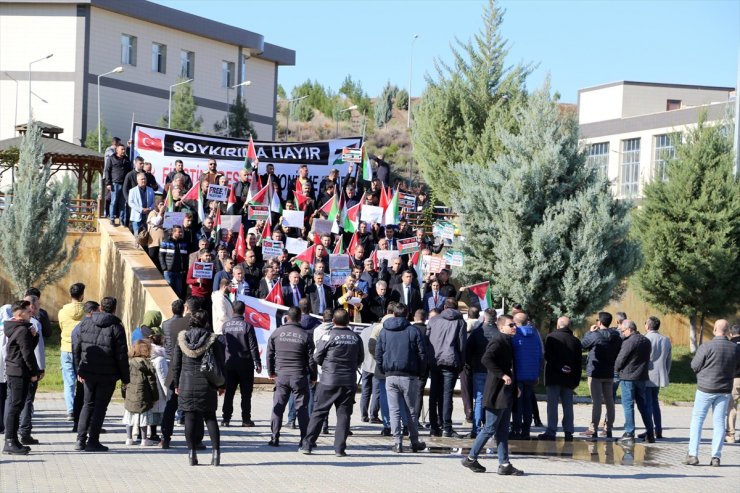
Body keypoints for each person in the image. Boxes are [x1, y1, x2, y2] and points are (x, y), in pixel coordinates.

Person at [461, 314, 524, 476]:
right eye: (511, 325)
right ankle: (470, 458)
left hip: (506, 391)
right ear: (501, 327)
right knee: (490, 428)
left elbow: (510, 367)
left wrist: (515, 385)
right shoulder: (498, 340)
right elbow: (486, 359)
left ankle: (504, 464)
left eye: (514, 325)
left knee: (502, 430)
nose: (514, 327)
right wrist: (502, 375)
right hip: (496, 392)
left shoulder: (508, 341)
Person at [300, 309, 364, 456]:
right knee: (344, 415)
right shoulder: (355, 337)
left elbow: (316, 357)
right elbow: (360, 358)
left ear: (333, 321)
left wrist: (327, 366)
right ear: (348, 321)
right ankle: (340, 449)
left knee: (319, 412)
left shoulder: (327, 335)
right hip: (348, 381)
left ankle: (308, 445)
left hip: (329, 380)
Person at [74, 296, 130, 452]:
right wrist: (126, 378)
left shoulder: (85, 322)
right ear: (114, 309)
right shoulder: (116, 326)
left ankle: (80, 440)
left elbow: (77, 346)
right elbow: (121, 355)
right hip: (107, 374)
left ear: (100, 307)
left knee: (87, 404)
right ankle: (93, 441)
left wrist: (79, 368)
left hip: (88, 371)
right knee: (100, 407)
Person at [173, 309, 226, 466]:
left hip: (186, 383)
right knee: (210, 417)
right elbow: (221, 364)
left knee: (189, 417)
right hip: (207, 384)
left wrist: (176, 384)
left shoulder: (182, 339)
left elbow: (176, 365)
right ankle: (216, 455)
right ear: (206, 321)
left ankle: (192, 454)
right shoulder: (213, 339)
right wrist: (222, 384)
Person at [684, 319, 740, 467]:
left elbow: (694, 365)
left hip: (705, 388)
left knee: (697, 420)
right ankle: (716, 457)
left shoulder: (706, 346)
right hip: (724, 389)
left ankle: (693, 454)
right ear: (728, 331)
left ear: (714, 329)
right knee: (719, 422)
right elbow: (736, 367)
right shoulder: (734, 348)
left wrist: (703, 373)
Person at [375, 303, 427, 453]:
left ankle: (397, 442)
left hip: (390, 375)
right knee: (411, 410)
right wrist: (421, 372)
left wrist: (383, 369)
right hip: (409, 376)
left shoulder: (384, 331)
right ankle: (414, 441)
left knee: (394, 410)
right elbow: (422, 354)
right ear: (407, 315)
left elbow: (378, 353)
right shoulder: (413, 331)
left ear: (394, 314)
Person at [266, 307, 317, 446]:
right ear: (300, 318)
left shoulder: (277, 333)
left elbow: (269, 354)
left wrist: (271, 372)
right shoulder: (305, 335)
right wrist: (313, 376)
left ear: (287, 317)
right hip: (299, 376)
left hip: (281, 376)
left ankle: (274, 437)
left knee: (278, 407)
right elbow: (311, 360)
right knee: (302, 408)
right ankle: (304, 440)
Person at [2, 300, 41, 455]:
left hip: (14, 371)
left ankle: (13, 439)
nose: (30, 313)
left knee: (15, 406)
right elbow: (27, 354)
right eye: (28, 311)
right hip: (18, 372)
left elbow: (27, 347)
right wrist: (34, 373)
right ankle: (9, 442)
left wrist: (35, 336)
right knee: (15, 407)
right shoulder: (22, 330)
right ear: (20, 313)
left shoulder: (18, 328)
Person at [427, 298, 467, 437]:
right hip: (451, 360)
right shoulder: (460, 322)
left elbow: (427, 340)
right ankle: (446, 427)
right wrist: (461, 363)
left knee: (434, 394)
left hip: (435, 360)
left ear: (444, 307)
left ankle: (433, 427)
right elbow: (462, 345)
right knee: (446, 395)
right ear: (457, 308)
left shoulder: (433, 320)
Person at [538, 316, 582, 441]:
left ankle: (551, 431)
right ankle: (568, 431)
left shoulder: (551, 337)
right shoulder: (575, 341)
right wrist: (576, 379)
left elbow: (548, 356)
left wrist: (560, 367)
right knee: (568, 405)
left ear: (558, 325)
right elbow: (578, 362)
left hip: (553, 376)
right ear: (569, 326)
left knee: (552, 405)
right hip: (569, 378)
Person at [581, 312, 622, 439]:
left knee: (597, 401)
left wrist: (590, 332)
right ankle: (608, 428)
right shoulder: (617, 336)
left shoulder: (595, 335)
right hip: (609, 371)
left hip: (595, 372)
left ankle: (593, 429)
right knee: (610, 401)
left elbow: (582, 345)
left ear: (599, 322)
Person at [220, 301, 261, 428]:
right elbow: (253, 347)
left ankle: (226, 419)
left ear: (232, 310)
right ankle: (246, 419)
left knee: (229, 392)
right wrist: (257, 363)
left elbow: (223, 345)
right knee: (246, 393)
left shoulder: (225, 326)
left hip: (230, 363)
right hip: (245, 364)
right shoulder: (247, 326)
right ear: (244, 311)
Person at [160, 298, 194, 448]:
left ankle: (165, 437)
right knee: (188, 406)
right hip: (186, 367)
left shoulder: (167, 324)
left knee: (170, 403)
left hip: (172, 365)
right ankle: (192, 438)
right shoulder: (188, 324)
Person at [614, 319, 654, 443]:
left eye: (623, 331)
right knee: (643, 406)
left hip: (628, 377)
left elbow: (621, 359)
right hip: (641, 377)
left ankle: (629, 433)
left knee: (628, 405)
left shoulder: (629, 341)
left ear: (630, 329)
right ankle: (650, 433)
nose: (622, 333)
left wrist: (616, 369)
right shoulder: (646, 341)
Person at [465, 309, 499, 438]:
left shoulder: (477, 333)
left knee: (479, 400)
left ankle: (476, 429)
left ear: (484, 318)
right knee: (493, 400)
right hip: (495, 372)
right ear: (495, 319)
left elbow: (468, 351)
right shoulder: (499, 333)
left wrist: (469, 365)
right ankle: (491, 428)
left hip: (479, 369)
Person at [17, 294, 45, 446]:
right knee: (28, 400)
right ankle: (25, 431)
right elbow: (38, 348)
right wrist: (40, 369)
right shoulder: (33, 323)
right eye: (38, 305)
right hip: (30, 367)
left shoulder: (12, 320)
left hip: (14, 367)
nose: (39, 307)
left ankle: (14, 430)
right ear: (32, 306)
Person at [510, 312, 544, 440]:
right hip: (531, 375)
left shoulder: (515, 334)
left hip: (518, 374)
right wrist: (537, 372)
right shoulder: (535, 334)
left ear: (516, 322)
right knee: (528, 403)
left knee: (517, 404)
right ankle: (526, 430)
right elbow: (541, 355)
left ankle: (516, 429)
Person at [122, 339, 160, 447]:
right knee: (143, 418)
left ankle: (129, 439)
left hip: (130, 393)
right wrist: (155, 396)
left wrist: (124, 394)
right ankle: (144, 439)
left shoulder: (128, 363)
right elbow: (152, 382)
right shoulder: (147, 365)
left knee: (129, 416)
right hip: (144, 395)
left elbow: (124, 381)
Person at [58, 283, 85, 421]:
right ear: (82, 295)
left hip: (66, 348)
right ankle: (80, 408)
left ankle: (70, 410)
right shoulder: (86, 312)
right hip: (80, 350)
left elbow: (62, 327)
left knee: (68, 381)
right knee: (81, 380)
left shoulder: (62, 312)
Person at [642, 316, 672, 440]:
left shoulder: (645, 339)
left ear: (648, 326)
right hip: (660, 375)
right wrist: (666, 372)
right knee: (655, 402)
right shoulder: (665, 340)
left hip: (647, 375)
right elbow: (668, 360)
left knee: (647, 403)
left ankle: (649, 430)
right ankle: (657, 429)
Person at [105, 143, 132, 225]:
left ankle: (121, 220)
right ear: (117, 150)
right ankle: (112, 219)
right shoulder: (111, 158)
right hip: (115, 183)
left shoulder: (127, 159)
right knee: (114, 202)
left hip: (124, 184)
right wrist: (108, 183)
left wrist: (128, 147)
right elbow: (107, 170)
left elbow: (130, 171)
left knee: (122, 203)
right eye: (122, 149)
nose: (123, 151)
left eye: (124, 149)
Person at [160, 226, 190, 299]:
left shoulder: (184, 243)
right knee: (169, 291)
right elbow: (161, 256)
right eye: (179, 232)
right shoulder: (165, 241)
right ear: (173, 232)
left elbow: (185, 257)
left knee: (178, 291)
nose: (180, 233)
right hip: (169, 271)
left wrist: (184, 268)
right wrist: (165, 268)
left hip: (179, 272)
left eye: (181, 232)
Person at [726, 324, 740, 444]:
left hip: (734, 378)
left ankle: (731, 435)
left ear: (731, 334)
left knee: (732, 407)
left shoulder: (730, 345)